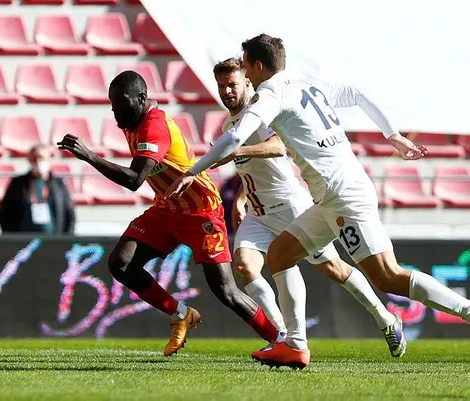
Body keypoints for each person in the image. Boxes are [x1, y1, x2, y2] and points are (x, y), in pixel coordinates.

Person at [165, 34, 470, 369]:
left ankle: (466, 311)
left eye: (247, 67)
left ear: (258, 65)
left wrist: (193, 171)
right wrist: (392, 135)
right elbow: (357, 93)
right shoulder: (307, 83)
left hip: (343, 196)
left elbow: (237, 137)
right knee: (280, 254)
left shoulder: (271, 93)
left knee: (388, 276)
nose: (247, 74)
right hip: (329, 198)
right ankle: (295, 345)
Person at [57, 70, 280, 357]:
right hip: (167, 207)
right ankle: (181, 314)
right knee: (121, 263)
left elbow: (134, 180)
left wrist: (90, 156)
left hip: (200, 210)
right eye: (112, 103)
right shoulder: (131, 118)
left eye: (121, 102)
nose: (116, 110)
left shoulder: (153, 126)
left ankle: (279, 340)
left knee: (225, 290)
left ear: (141, 98)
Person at [210, 57, 405, 358]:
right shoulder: (229, 124)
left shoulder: (263, 111)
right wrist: (240, 198)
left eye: (232, 84)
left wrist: (238, 149)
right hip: (259, 214)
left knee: (333, 268)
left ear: (247, 82)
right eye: (221, 86)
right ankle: (283, 334)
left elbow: (278, 147)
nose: (227, 91)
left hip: (289, 204)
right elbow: (250, 169)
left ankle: (386, 318)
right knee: (244, 266)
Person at [0, 144, 76, 235]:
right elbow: (5, 213)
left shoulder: (59, 184)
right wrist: (11, 238)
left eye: (41, 158)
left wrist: (66, 238)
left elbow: (69, 214)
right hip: (24, 239)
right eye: (34, 158)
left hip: (53, 238)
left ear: (49, 159)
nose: (38, 161)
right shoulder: (18, 184)